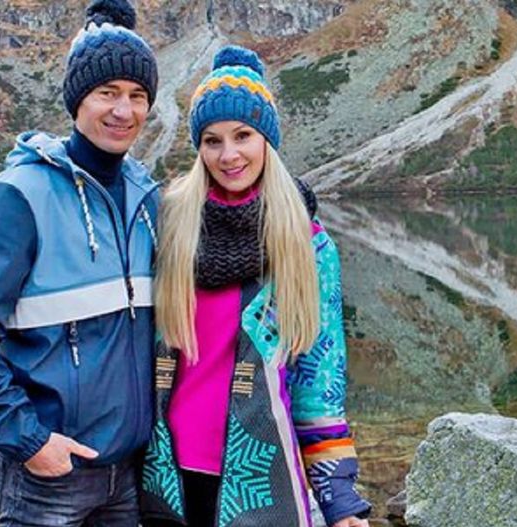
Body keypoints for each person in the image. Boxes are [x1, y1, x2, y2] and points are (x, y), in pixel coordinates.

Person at [0, 0, 158, 524]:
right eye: (107, 92)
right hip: (48, 478)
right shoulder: (19, 195)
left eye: (137, 95)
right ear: (78, 100)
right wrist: (28, 439)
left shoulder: (146, 198)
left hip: (127, 475)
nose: (123, 111)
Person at [140, 45, 371, 527]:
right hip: (164, 477)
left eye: (242, 135)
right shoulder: (171, 225)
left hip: (261, 478)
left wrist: (339, 499)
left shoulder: (308, 244)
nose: (228, 155)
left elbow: (319, 380)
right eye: (212, 140)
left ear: (267, 138)